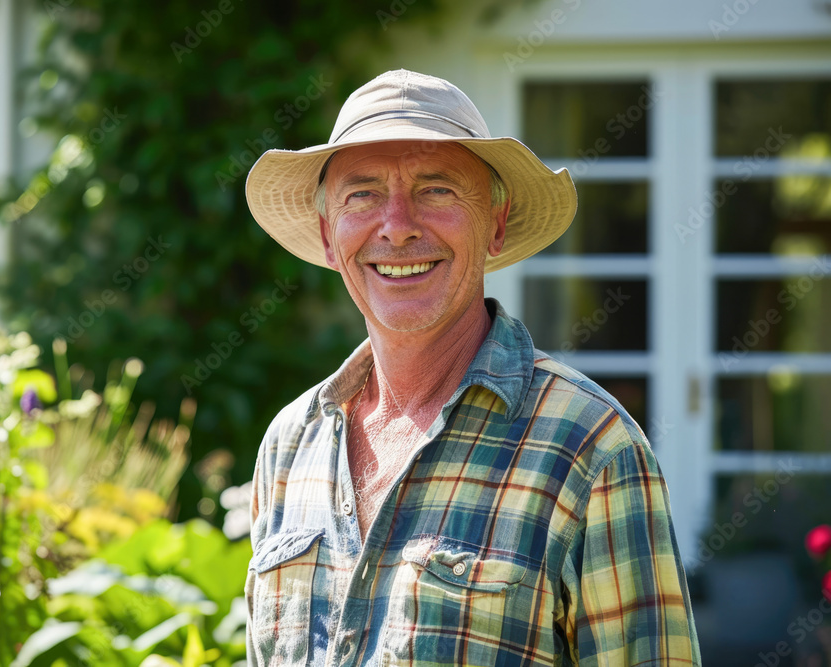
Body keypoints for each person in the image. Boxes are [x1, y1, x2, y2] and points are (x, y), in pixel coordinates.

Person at [242, 69, 700, 666]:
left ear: (496, 224)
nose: (398, 224)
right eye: (363, 194)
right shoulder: (288, 445)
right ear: (330, 237)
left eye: (437, 190)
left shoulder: (590, 446)